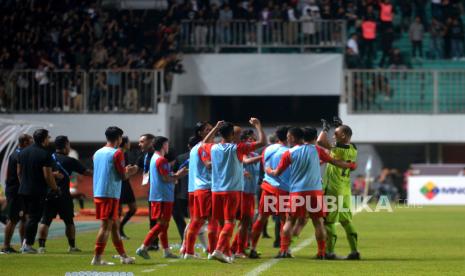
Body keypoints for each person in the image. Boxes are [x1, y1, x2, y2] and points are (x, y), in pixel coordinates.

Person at [268, 127, 356, 259]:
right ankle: (321, 252)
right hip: (315, 192)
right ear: (315, 138)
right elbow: (334, 162)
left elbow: (277, 173)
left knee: (290, 221)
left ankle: (284, 250)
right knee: (318, 223)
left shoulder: (289, 153)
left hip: (297, 192)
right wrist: (350, 165)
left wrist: (269, 170)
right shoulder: (317, 150)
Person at [201, 118, 266, 263]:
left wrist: (215, 128)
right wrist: (258, 125)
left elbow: (204, 142)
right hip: (232, 191)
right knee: (230, 222)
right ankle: (218, 250)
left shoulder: (213, 147)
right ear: (231, 135)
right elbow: (262, 143)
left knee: (221, 224)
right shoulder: (237, 148)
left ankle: (224, 251)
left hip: (216, 190)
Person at [37, 135, 92, 253]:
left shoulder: (47, 158)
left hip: (48, 194)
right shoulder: (70, 160)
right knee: (69, 222)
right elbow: (87, 172)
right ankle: (72, 247)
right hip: (63, 196)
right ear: (66, 145)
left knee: (45, 221)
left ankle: (41, 247)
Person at [91, 126, 138, 265]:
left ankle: (124, 256)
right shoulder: (117, 153)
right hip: (109, 193)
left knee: (114, 226)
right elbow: (123, 176)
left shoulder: (97, 152)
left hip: (99, 191)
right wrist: (131, 171)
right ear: (118, 138)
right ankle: (97, 259)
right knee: (106, 226)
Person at [135, 136, 188, 259]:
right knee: (161, 224)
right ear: (163, 145)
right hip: (162, 196)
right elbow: (166, 178)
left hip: (159, 196)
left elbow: (165, 176)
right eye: (167, 144)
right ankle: (143, 247)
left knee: (163, 225)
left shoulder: (155, 158)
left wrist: (176, 175)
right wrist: (177, 176)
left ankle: (166, 251)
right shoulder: (161, 160)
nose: (168, 146)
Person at [317, 117, 360, 260]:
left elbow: (320, 142)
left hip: (334, 189)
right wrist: (340, 127)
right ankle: (355, 251)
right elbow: (345, 139)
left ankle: (329, 252)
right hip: (345, 189)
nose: (333, 136)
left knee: (329, 221)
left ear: (343, 136)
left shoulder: (339, 149)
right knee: (346, 221)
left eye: (336, 134)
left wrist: (325, 128)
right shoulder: (353, 148)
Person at [249, 126, 290, 259]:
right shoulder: (290, 151)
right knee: (285, 220)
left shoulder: (268, 149)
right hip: (283, 189)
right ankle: (284, 250)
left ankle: (253, 248)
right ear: (289, 136)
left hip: (267, 187)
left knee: (261, 218)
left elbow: (264, 165)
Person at [17, 129, 60, 253]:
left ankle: (23, 243)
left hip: (23, 190)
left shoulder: (22, 152)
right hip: (37, 191)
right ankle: (27, 245)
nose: (49, 140)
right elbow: (47, 175)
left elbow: (19, 172)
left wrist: (24, 185)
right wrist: (55, 188)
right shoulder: (44, 154)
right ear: (44, 139)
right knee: (34, 219)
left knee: (25, 218)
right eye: (48, 138)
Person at [183, 122, 217, 260]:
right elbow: (208, 165)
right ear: (201, 133)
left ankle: (188, 251)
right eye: (209, 130)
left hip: (195, 189)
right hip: (206, 188)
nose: (213, 132)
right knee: (212, 220)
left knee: (196, 221)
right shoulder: (204, 147)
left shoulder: (195, 148)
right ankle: (212, 251)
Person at [231, 129, 262, 258]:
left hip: (251, 192)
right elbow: (247, 161)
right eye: (249, 139)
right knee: (244, 222)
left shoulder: (254, 153)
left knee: (246, 223)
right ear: (243, 141)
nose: (252, 141)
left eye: (253, 139)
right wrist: (263, 156)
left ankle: (236, 247)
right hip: (242, 192)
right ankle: (238, 250)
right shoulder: (242, 152)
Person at [1, 134, 32, 254]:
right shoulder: (19, 155)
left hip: (18, 190)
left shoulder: (16, 153)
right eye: (30, 142)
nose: (32, 144)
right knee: (13, 219)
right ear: (24, 143)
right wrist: (25, 188)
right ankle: (6, 246)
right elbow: (20, 174)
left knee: (24, 218)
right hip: (16, 191)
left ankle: (23, 245)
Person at [136, 133, 159, 251]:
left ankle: (184, 243)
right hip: (153, 191)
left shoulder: (161, 154)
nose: (139, 144)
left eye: (142, 141)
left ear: (151, 142)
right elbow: (136, 168)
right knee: (153, 218)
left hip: (165, 191)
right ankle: (153, 243)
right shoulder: (143, 157)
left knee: (173, 217)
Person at [119, 136, 138, 240]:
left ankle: (120, 227)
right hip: (118, 184)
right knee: (118, 211)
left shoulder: (125, 153)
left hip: (126, 183)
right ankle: (118, 233)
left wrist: (129, 171)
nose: (130, 144)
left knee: (133, 208)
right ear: (125, 143)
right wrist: (128, 171)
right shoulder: (117, 153)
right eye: (129, 142)